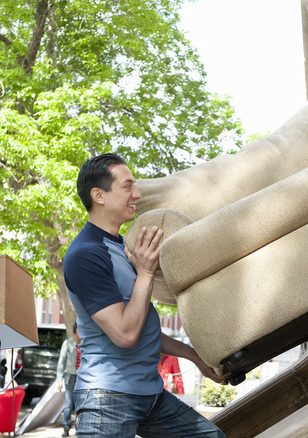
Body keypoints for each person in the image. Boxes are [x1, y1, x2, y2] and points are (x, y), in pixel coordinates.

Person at [63, 153, 228, 437]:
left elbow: (140, 327)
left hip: (149, 393)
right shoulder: (86, 255)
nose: (137, 194)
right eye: (127, 187)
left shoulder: (120, 248)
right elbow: (125, 334)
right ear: (98, 196)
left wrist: (195, 357)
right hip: (107, 398)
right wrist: (146, 274)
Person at [56, 322, 81, 437]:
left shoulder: (86, 343)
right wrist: (59, 380)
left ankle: (79, 427)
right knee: (68, 403)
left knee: (80, 404)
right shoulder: (68, 343)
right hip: (70, 377)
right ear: (75, 330)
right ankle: (66, 427)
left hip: (82, 377)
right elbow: (61, 363)